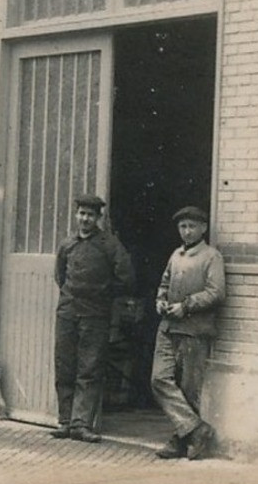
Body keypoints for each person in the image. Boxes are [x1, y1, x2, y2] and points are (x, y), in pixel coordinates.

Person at [51, 193, 133, 442]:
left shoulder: (110, 245)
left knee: (89, 368)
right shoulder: (67, 244)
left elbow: (126, 277)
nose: (85, 219)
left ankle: (81, 424)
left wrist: (102, 296)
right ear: (76, 215)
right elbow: (60, 276)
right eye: (82, 214)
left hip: (95, 315)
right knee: (65, 366)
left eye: (90, 215)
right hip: (67, 313)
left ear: (98, 218)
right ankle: (65, 421)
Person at [151, 205, 224, 461]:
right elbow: (163, 283)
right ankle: (198, 429)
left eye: (192, 226)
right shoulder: (176, 255)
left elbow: (216, 292)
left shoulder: (211, 257)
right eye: (182, 226)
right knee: (159, 379)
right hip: (168, 327)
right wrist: (160, 301)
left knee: (188, 388)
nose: (187, 231)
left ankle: (180, 441)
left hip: (194, 330)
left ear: (203, 228)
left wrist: (187, 306)